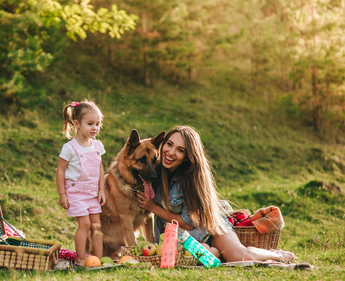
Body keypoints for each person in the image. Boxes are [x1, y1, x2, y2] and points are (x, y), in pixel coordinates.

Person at [137, 125, 297, 263]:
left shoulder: (189, 179)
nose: (171, 152)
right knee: (198, 257)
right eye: (169, 144)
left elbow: (187, 223)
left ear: (187, 157)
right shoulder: (153, 171)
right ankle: (213, 252)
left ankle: (278, 255)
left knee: (241, 257)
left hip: (209, 229)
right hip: (183, 240)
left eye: (180, 150)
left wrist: (152, 207)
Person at [56, 100, 106, 266]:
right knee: (84, 224)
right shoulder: (69, 148)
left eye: (98, 124)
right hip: (76, 194)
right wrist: (62, 194)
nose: (95, 128)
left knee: (97, 227)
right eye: (90, 123)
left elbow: (99, 168)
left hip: (92, 194)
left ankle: (97, 260)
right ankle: (80, 259)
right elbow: (60, 171)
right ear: (76, 124)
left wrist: (102, 190)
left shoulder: (97, 145)